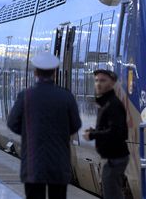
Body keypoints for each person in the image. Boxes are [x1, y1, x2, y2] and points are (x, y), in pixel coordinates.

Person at [7, 52, 82, 199]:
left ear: (35, 72)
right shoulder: (66, 96)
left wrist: (29, 132)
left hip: (33, 164)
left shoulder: (26, 96)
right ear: (55, 72)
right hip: (59, 164)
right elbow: (76, 125)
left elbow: (12, 123)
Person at [82, 69, 129, 199]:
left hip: (115, 158)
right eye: (96, 80)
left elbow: (116, 131)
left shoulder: (112, 104)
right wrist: (95, 131)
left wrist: (93, 135)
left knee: (111, 193)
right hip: (113, 158)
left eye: (103, 80)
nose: (98, 84)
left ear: (113, 83)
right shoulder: (106, 103)